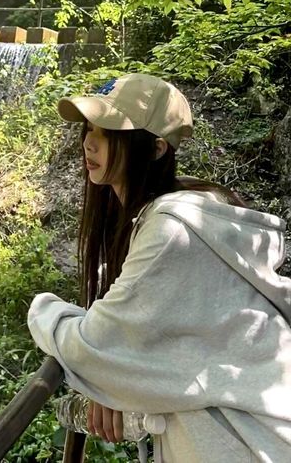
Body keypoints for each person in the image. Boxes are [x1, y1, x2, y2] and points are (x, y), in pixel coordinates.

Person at [27, 73, 291, 462]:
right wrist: (110, 379)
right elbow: (131, 330)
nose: (89, 142)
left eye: (109, 131)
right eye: (89, 127)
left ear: (154, 149)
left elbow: (93, 347)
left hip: (245, 443)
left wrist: (42, 310)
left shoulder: (171, 230)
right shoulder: (185, 210)